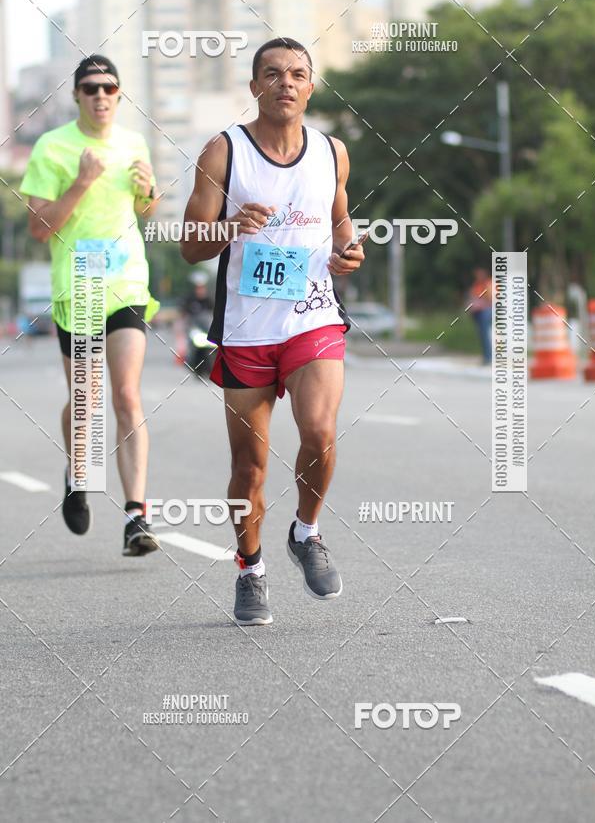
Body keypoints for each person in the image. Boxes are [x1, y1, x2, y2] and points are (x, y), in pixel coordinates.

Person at [182, 36, 365, 625]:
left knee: (320, 431)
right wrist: (230, 227)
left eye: (297, 73)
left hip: (313, 316)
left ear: (310, 87)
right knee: (249, 468)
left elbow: (339, 217)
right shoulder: (223, 152)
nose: (286, 82)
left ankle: (307, 531)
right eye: (273, 73)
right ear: (254, 85)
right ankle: (250, 568)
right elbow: (189, 245)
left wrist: (349, 250)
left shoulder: (332, 152)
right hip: (246, 330)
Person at [20, 54, 161, 557]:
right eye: (91, 88)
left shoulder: (134, 142)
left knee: (126, 395)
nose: (101, 96)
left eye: (109, 88)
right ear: (77, 95)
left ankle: (136, 516)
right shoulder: (52, 147)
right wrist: (81, 182)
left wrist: (149, 192)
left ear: (119, 96)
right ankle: (77, 472)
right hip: (79, 284)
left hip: (127, 282)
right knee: (87, 399)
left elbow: (145, 209)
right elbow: (39, 229)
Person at [469, 267, 494, 364]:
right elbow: (473, 296)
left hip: (486, 310)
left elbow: (491, 297)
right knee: (482, 335)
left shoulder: (488, 283)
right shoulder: (477, 284)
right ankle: (486, 356)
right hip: (477, 312)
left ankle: (488, 357)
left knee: (485, 334)